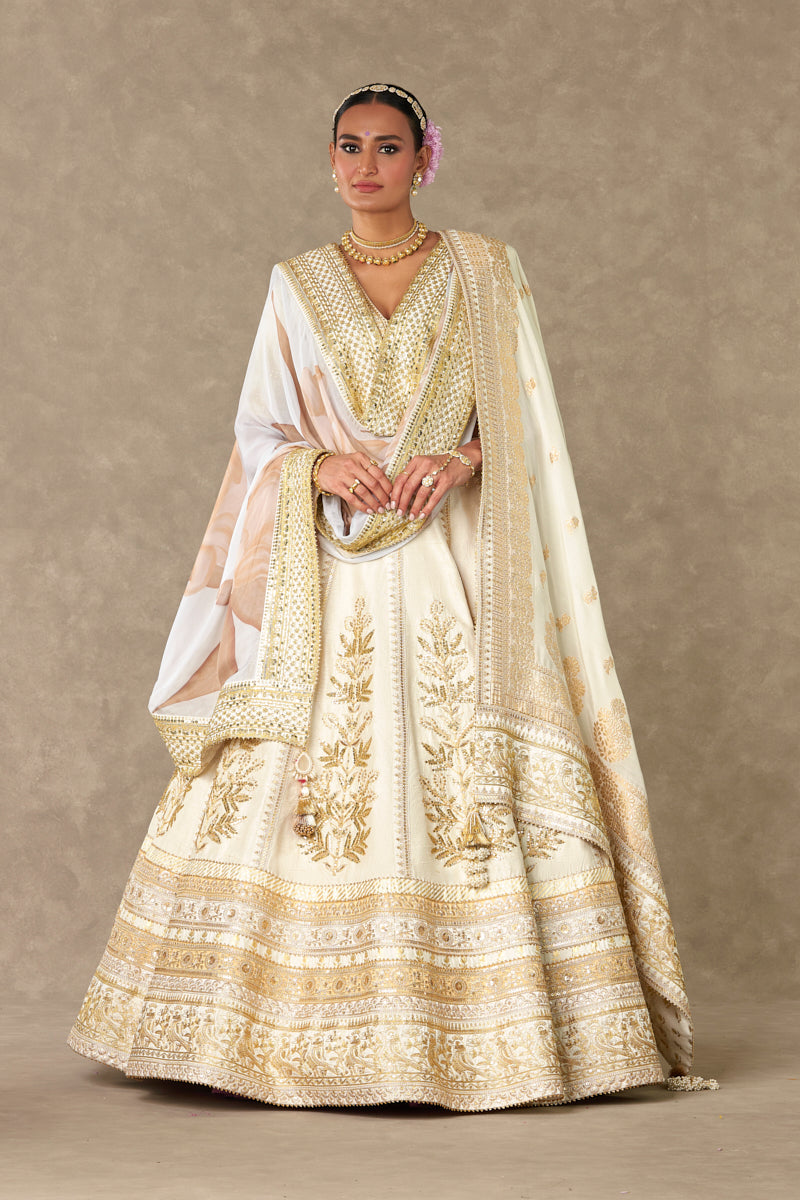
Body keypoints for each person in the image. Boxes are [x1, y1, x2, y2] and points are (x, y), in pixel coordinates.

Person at [67, 82, 715, 1111]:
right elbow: (260, 431)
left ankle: (499, 1035)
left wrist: (462, 459)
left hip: (453, 565)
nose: (366, 165)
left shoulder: (484, 271)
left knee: (457, 765)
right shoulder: (294, 283)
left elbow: (527, 422)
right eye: (349, 146)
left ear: (425, 159)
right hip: (327, 568)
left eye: (387, 147)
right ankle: (263, 1037)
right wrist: (316, 464)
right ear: (329, 161)